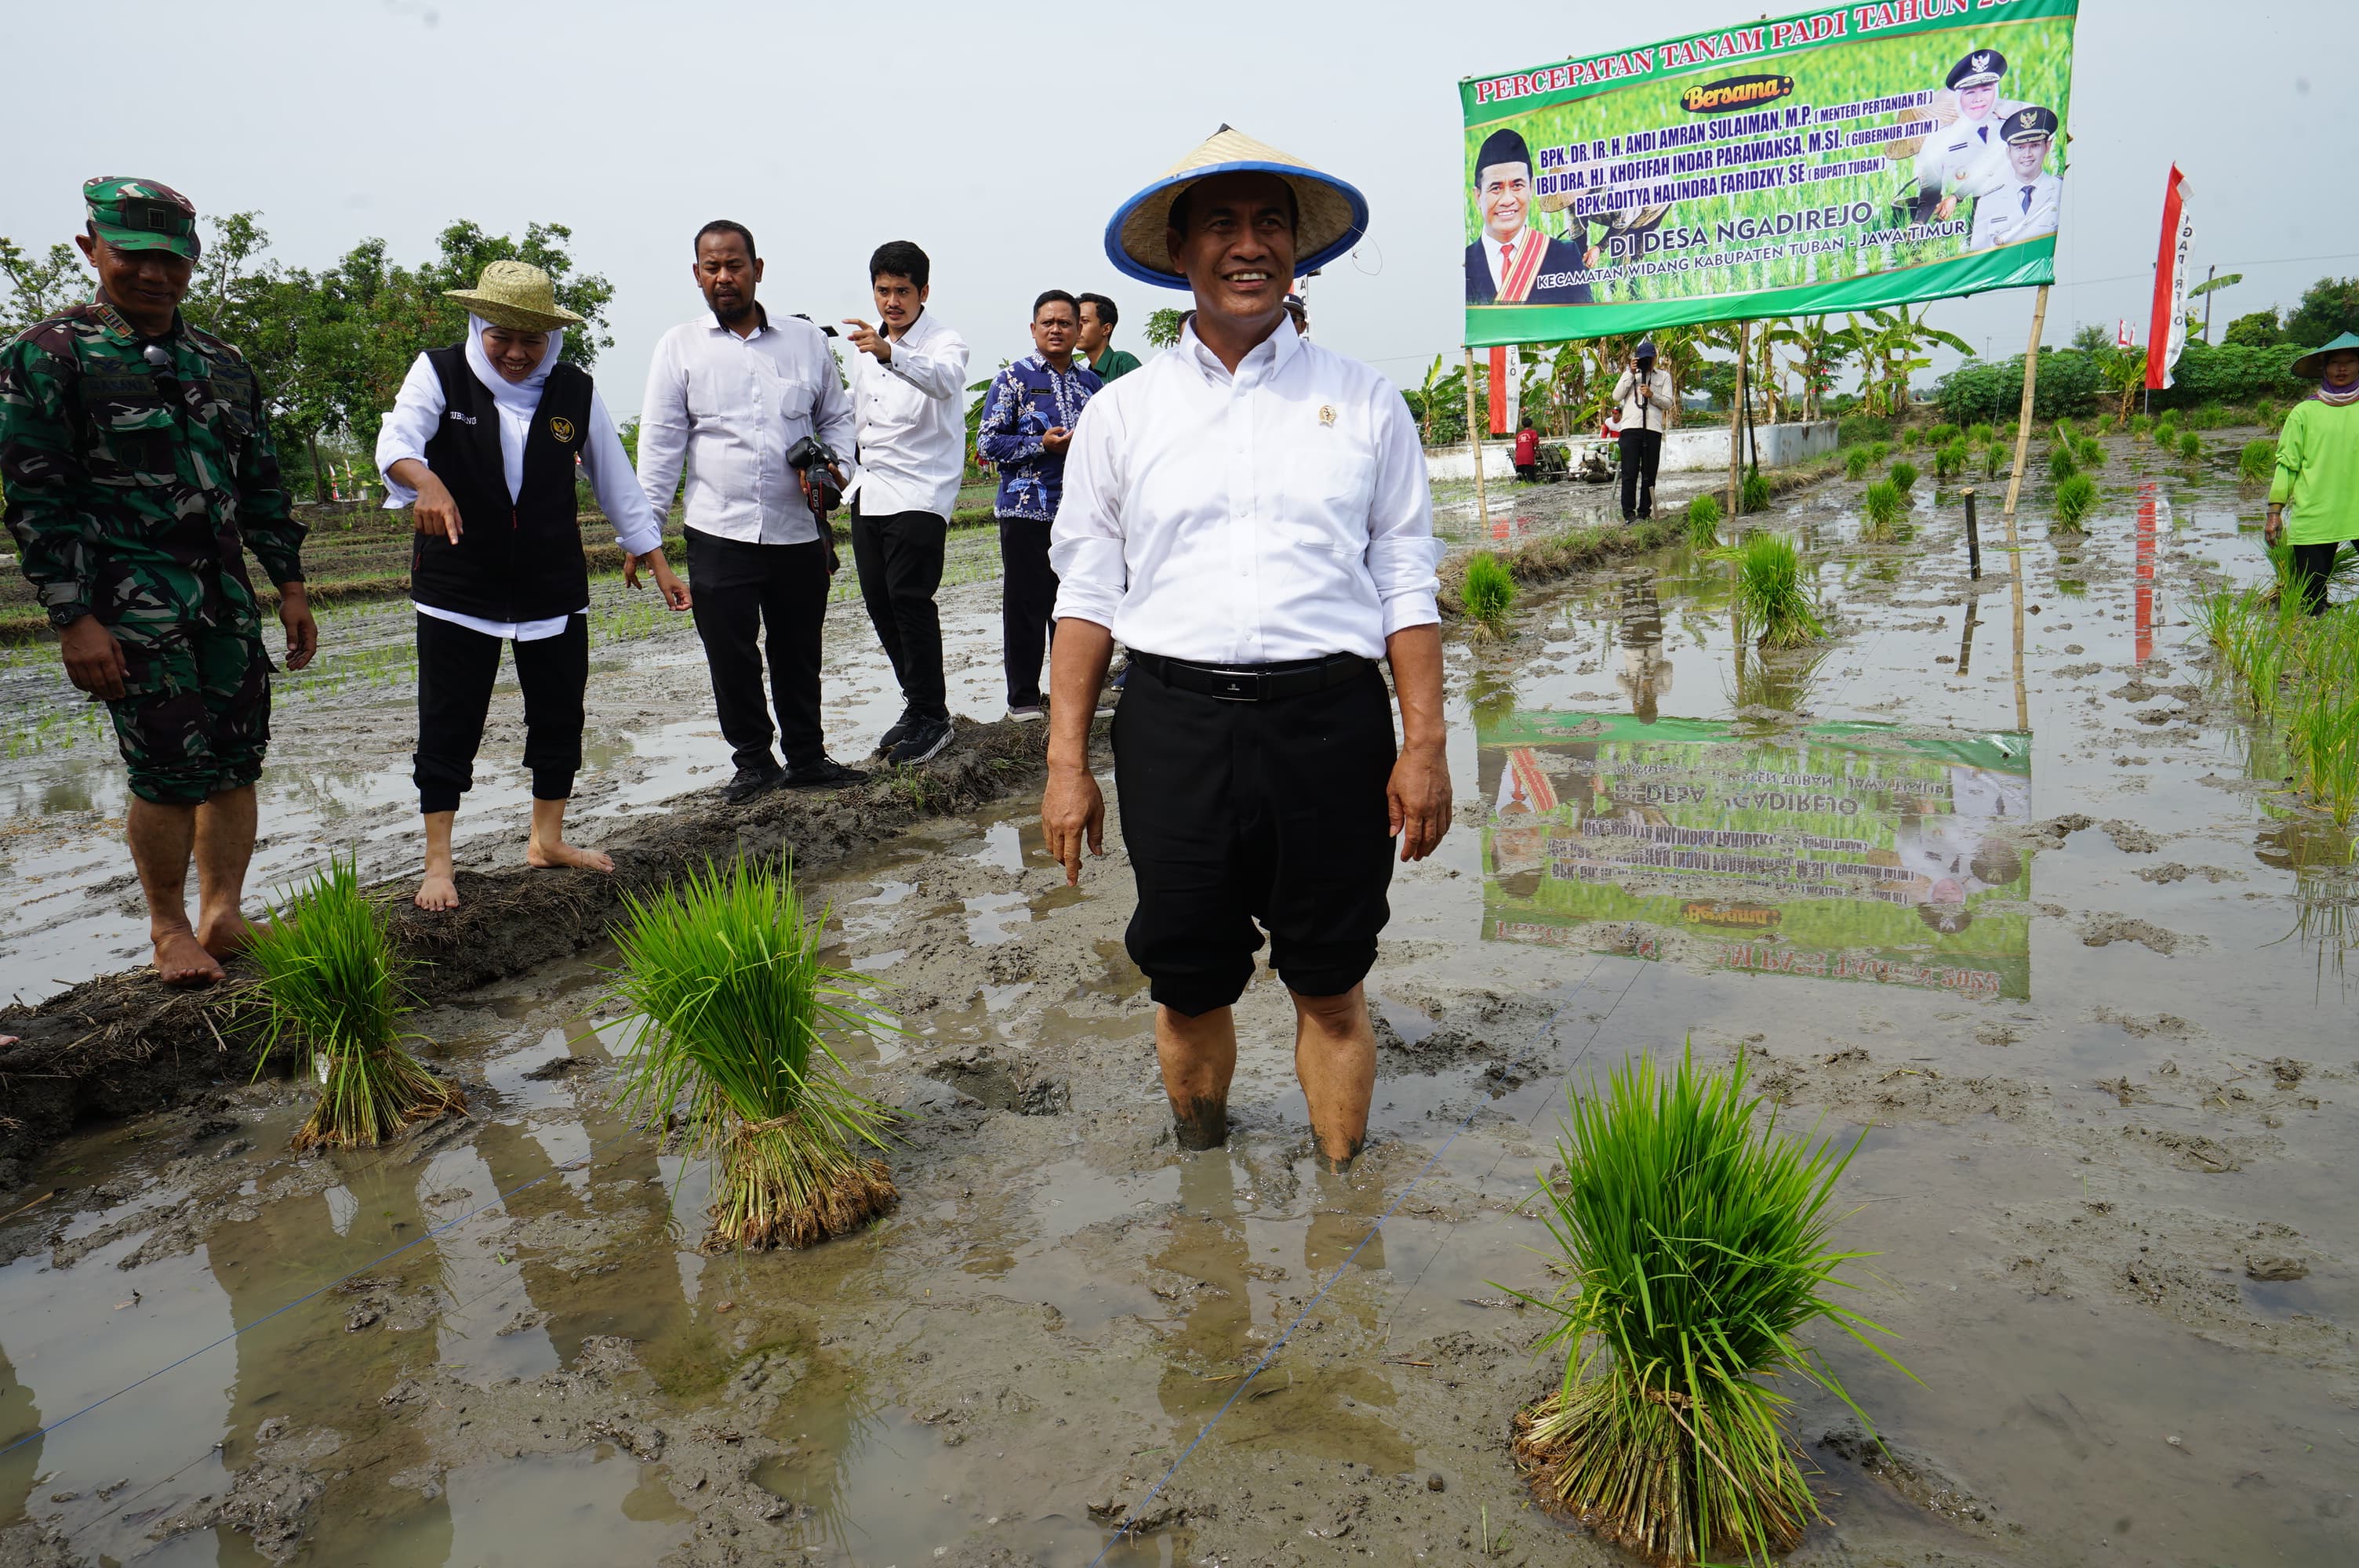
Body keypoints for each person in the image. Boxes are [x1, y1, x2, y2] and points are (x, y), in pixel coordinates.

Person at [1047, 126, 1449, 1171]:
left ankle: (1342, 1187)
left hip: (1332, 724)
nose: (1248, 245)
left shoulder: (1363, 401)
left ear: (1297, 250)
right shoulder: (1125, 413)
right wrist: (1065, 770)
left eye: (1270, 223)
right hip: (1175, 726)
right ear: (1178, 251)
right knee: (1187, 978)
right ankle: (1204, 1177)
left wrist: (1425, 746)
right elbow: (1086, 596)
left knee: (1330, 978)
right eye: (1221, 223)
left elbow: (1407, 577)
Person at [0, 177, 315, 986]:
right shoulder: (50, 355)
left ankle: (224, 913)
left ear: (192, 261)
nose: (153, 274)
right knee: (169, 769)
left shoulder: (222, 362)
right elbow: (38, 498)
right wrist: (74, 618)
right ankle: (170, 928)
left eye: (170, 260)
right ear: (91, 248)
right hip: (127, 607)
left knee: (236, 760)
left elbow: (261, 482)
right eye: (132, 256)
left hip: (222, 598)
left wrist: (289, 583)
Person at [376, 261, 685, 912]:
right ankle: (439, 863)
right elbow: (398, 443)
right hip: (459, 583)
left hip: (550, 580)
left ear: (551, 339)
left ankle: (547, 839)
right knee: (450, 719)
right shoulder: (439, 373)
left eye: (531, 340)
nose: (517, 354)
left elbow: (617, 480)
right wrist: (425, 481)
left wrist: (657, 559)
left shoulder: (573, 389)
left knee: (557, 713)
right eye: (502, 338)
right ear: (478, 327)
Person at [638, 220, 868, 800]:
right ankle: (754, 762)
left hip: (797, 531)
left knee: (798, 650)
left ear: (757, 269)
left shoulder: (804, 340)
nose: (724, 277)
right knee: (731, 655)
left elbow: (837, 416)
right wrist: (644, 538)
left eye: (734, 265)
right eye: (711, 267)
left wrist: (835, 464)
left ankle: (809, 759)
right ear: (697, 275)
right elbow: (662, 446)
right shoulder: (679, 346)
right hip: (718, 529)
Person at [842, 241, 969, 766]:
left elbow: (944, 381)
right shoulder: (864, 347)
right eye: (883, 290)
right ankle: (917, 705)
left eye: (902, 291)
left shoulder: (945, 342)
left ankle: (934, 717)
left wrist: (890, 353)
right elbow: (856, 413)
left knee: (909, 598)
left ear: (923, 292)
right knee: (880, 602)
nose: (891, 302)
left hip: (921, 490)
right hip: (870, 490)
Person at [976, 291, 1103, 720]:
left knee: (1079, 605)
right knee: (1027, 605)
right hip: (1026, 510)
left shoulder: (1093, 385)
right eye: (1047, 322)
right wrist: (1039, 444)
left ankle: (1076, 699)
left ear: (1078, 330)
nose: (1056, 329)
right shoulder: (1012, 379)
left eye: (1065, 323)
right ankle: (1024, 700)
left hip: (1080, 513)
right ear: (1034, 329)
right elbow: (988, 441)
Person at [2266, 332, 2359, 615]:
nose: (2341, 369)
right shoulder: (2304, 412)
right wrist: (2274, 512)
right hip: (2316, 513)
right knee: (2311, 602)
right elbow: (2287, 464)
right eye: (2334, 363)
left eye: (2350, 362)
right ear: (2324, 367)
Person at [1463, 127, 1593, 305]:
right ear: (1478, 197)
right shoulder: (1463, 265)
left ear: (1531, 189)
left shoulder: (1564, 256)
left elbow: (1584, 325)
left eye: (1517, 186)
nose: (1507, 200)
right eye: (1496, 188)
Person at [1915, 49, 2022, 222]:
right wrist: (1918, 224)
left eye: (1986, 90)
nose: (1978, 99)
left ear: (1996, 92)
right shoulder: (1940, 139)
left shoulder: (2012, 129)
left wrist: (1956, 197)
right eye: (1970, 92)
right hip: (1979, 223)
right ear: (1959, 98)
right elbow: (1930, 191)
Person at [1967, 107, 2062, 250]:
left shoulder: (2061, 191)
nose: (2027, 154)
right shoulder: (1988, 202)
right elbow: (1977, 257)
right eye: (2019, 148)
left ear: (2047, 147)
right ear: (2008, 152)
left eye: (2035, 145)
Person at [1612, 339, 1674, 521]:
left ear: (1656, 358)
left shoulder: (1663, 377)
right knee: (1629, 472)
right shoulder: (1630, 375)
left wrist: (1652, 396)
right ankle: (1629, 514)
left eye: (1649, 358)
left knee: (1649, 473)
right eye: (1643, 359)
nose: (1647, 362)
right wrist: (1630, 373)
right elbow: (1616, 396)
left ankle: (1644, 513)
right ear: (1636, 359)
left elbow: (1669, 403)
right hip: (1630, 429)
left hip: (1652, 429)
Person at [1076, 292, 1142, 383]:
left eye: (1085, 321)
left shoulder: (1121, 363)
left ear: (1106, 329)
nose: (1077, 327)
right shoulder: (1087, 377)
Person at [1513, 416, 1539, 481]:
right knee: (1530, 477)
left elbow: (1517, 446)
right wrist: (1537, 451)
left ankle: (1519, 478)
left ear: (1523, 425)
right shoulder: (1533, 432)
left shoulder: (1519, 434)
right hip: (1528, 456)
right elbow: (1536, 442)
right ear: (1531, 424)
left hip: (1519, 457)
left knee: (1520, 478)